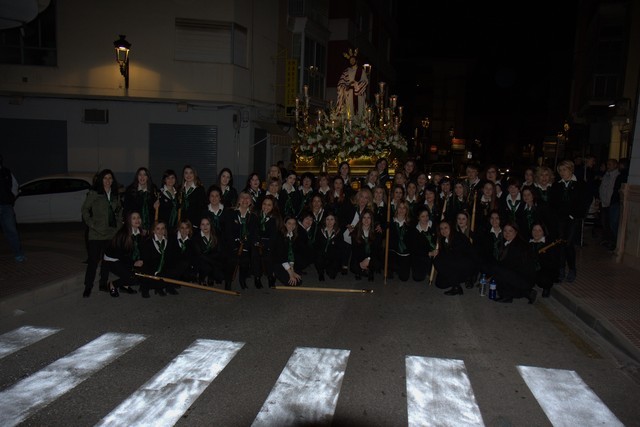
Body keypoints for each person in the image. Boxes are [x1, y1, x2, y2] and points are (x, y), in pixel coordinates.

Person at [81, 169, 122, 297]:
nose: (108, 181)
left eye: (110, 178)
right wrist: (92, 224)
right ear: (101, 180)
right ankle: (88, 286)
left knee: (106, 261)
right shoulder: (94, 193)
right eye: (105, 178)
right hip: (96, 234)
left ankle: (103, 283)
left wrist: (118, 227)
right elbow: (85, 210)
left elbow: (120, 212)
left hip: (110, 233)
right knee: (93, 261)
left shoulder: (115, 195)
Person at [549, 160, 588, 283]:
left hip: (572, 219)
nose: (562, 173)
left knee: (568, 243)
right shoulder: (557, 185)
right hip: (560, 219)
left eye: (564, 170)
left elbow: (584, 202)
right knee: (560, 243)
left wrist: (574, 215)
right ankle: (561, 269)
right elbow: (553, 203)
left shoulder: (580, 184)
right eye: (560, 170)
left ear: (571, 169)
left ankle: (572, 269)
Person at [486, 222, 536, 303]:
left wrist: (493, 274)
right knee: (497, 269)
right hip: (519, 275)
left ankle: (508, 295)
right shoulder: (510, 242)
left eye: (510, 231)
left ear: (516, 232)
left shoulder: (518, 245)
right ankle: (527, 293)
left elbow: (510, 265)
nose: (507, 233)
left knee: (498, 270)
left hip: (524, 278)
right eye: (505, 231)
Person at [220, 191, 259, 290]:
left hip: (245, 245)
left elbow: (253, 234)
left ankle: (242, 280)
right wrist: (234, 246)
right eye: (242, 197)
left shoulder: (253, 217)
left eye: (248, 198)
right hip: (232, 244)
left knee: (245, 261)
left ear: (251, 202)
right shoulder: (230, 213)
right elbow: (227, 232)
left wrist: (245, 247)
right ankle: (228, 282)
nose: (245, 200)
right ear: (238, 200)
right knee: (232, 260)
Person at [101, 211, 144, 298]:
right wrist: (133, 263)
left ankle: (125, 286)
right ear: (129, 221)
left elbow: (137, 249)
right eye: (134, 218)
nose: (137, 220)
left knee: (141, 276)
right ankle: (112, 285)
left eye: (138, 217)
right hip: (112, 260)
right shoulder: (124, 234)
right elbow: (120, 255)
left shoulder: (139, 231)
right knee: (133, 278)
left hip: (124, 258)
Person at [431, 220, 478, 296]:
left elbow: (457, 256)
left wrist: (440, 255)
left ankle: (457, 286)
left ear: (451, 228)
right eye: (441, 228)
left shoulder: (458, 237)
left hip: (466, 264)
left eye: (446, 228)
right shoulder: (443, 239)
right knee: (440, 284)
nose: (443, 230)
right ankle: (460, 280)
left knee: (437, 260)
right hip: (454, 265)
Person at [138, 220, 179, 296]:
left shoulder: (169, 241)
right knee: (146, 271)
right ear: (153, 230)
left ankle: (166, 287)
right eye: (158, 228)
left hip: (163, 267)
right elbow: (146, 260)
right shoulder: (147, 242)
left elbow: (172, 258)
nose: (160, 231)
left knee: (174, 269)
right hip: (151, 268)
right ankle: (145, 288)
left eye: (163, 228)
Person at [0, 154, 25, 262]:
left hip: (6, 205)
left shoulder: (6, 172)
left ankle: (18, 254)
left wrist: (12, 197)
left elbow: (15, 185)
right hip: (6, 205)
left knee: (11, 230)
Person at [253, 195, 282, 288]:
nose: (266, 207)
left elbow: (274, 236)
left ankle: (271, 276)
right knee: (255, 255)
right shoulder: (257, 215)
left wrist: (266, 245)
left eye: (269, 205)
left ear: (273, 207)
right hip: (258, 242)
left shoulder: (275, 218)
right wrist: (257, 242)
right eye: (264, 204)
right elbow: (254, 231)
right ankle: (257, 277)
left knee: (268, 256)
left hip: (270, 243)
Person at [529, 222, 560, 298]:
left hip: (545, 269)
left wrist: (539, 258)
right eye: (534, 230)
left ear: (544, 232)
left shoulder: (549, 245)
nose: (536, 233)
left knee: (544, 278)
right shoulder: (528, 243)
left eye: (539, 230)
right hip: (531, 268)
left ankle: (546, 288)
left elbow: (553, 263)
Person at [191, 217, 224, 286]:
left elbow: (219, 251)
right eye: (203, 224)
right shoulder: (196, 238)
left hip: (212, 257)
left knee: (219, 263)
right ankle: (201, 277)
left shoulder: (216, 235)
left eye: (207, 224)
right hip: (199, 259)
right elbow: (199, 254)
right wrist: (214, 263)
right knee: (207, 266)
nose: (205, 226)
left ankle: (210, 277)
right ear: (200, 226)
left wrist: (214, 261)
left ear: (211, 226)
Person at [350, 209, 382, 281]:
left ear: (372, 219)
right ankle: (360, 270)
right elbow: (355, 251)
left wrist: (368, 259)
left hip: (371, 258)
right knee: (353, 267)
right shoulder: (355, 233)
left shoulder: (377, 233)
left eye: (368, 218)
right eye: (364, 217)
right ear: (361, 219)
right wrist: (361, 263)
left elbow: (376, 251)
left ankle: (370, 271)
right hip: (360, 258)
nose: (366, 220)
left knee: (377, 263)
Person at [336, 48, 368, 118]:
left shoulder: (361, 71)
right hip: (349, 95)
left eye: (353, 59)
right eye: (350, 60)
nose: (352, 61)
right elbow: (341, 83)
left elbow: (365, 81)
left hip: (358, 95)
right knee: (349, 113)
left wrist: (356, 84)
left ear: (356, 60)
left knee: (359, 112)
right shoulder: (346, 71)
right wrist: (345, 87)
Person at [123, 167, 158, 232]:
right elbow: (126, 210)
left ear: (148, 177)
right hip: (135, 225)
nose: (142, 177)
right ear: (137, 177)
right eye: (140, 175)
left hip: (150, 226)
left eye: (144, 175)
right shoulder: (130, 190)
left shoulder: (154, 190)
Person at [273, 215, 304, 286]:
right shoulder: (280, 236)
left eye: (294, 224)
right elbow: (281, 257)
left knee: (298, 281)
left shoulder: (293, 235)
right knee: (293, 283)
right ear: (285, 224)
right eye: (289, 223)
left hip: (286, 261)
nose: (291, 226)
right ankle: (273, 272)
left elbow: (291, 255)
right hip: (278, 262)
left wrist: (292, 272)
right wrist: (290, 274)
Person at [407, 207, 436, 282]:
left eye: (427, 216)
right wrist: (428, 253)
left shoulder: (434, 226)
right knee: (418, 277)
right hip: (422, 255)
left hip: (435, 253)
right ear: (418, 217)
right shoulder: (414, 231)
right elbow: (414, 249)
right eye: (422, 216)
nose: (425, 218)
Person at [598, 159, 621, 250]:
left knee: (612, 223)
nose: (608, 166)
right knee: (604, 222)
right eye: (607, 164)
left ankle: (613, 242)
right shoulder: (606, 175)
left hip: (612, 203)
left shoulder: (617, 176)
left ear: (615, 165)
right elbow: (603, 187)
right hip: (604, 202)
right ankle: (607, 240)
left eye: (610, 164)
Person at [314, 212, 343, 281]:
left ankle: (329, 268)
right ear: (324, 220)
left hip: (333, 256)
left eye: (332, 219)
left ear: (335, 221)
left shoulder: (338, 232)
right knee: (318, 257)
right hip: (322, 255)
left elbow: (340, 248)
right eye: (327, 219)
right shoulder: (320, 230)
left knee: (332, 275)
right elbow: (316, 245)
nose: (329, 222)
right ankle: (320, 273)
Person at [388, 200, 412, 281]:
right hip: (393, 251)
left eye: (404, 208)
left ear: (407, 210)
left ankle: (400, 268)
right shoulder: (391, 221)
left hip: (405, 253)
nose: (401, 210)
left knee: (404, 278)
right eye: (400, 208)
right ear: (396, 209)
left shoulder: (410, 223)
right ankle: (393, 267)